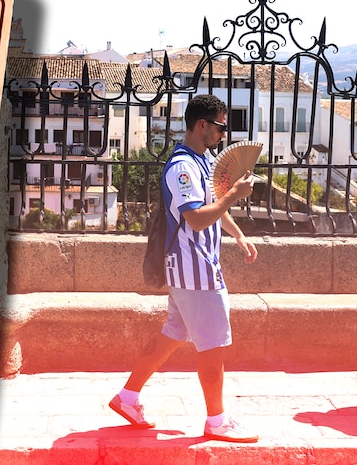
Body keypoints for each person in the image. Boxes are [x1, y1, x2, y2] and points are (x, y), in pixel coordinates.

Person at [109, 94, 259, 442]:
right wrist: (234, 196)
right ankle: (217, 421)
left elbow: (213, 208)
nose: (225, 133)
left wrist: (237, 235)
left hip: (192, 269)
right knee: (213, 347)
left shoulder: (202, 161)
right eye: (221, 126)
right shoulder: (182, 167)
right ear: (202, 125)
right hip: (196, 271)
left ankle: (127, 398)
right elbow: (195, 218)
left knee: (170, 337)